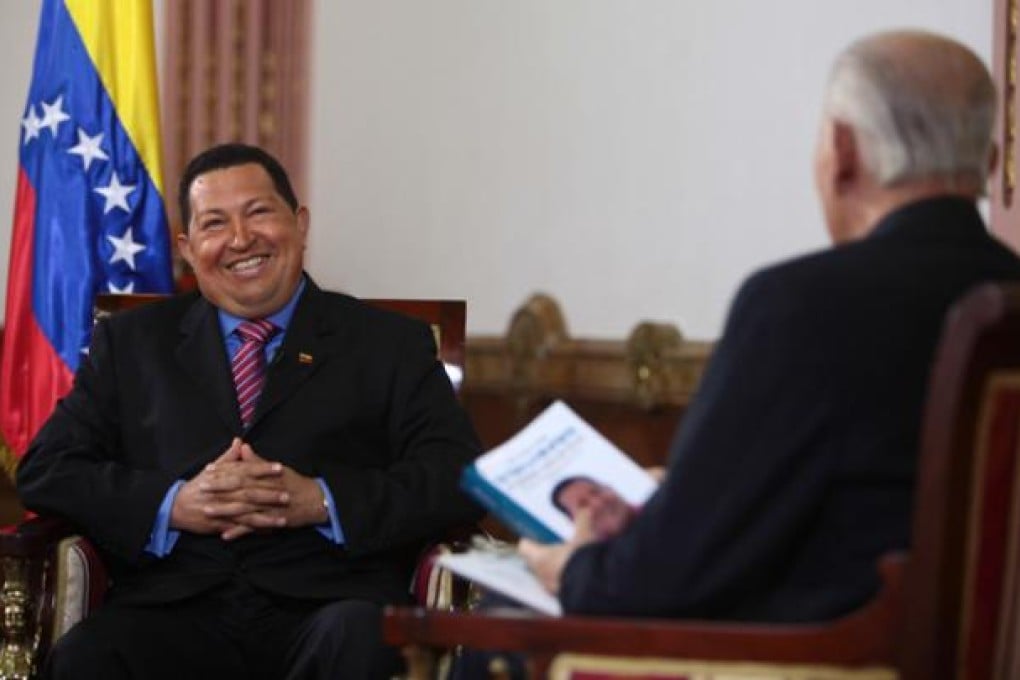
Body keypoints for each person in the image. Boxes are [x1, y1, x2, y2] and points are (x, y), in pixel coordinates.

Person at [519, 30, 1020, 623]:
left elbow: (657, 580)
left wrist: (573, 569)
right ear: (987, 163)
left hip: (817, 656)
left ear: (843, 151)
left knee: (500, 642)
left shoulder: (800, 306)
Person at [16, 143, 483, 679]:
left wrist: (322, 501)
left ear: (300, 224)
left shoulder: (387, 345)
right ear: (189, 249)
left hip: (330, 605)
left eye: (259, 212)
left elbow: (457, 477)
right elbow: (47, 468)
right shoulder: (132, 344)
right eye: (215, 224)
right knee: (88, 657)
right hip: (173, 608)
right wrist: (173, 505)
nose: (240, 239)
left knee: (360, 639)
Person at [550, 475, 638, 540]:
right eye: (583, 505)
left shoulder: (651, 511)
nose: (599, 503)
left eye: (597, 492)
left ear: (611, 488)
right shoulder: (599, 562)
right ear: (574, 521)